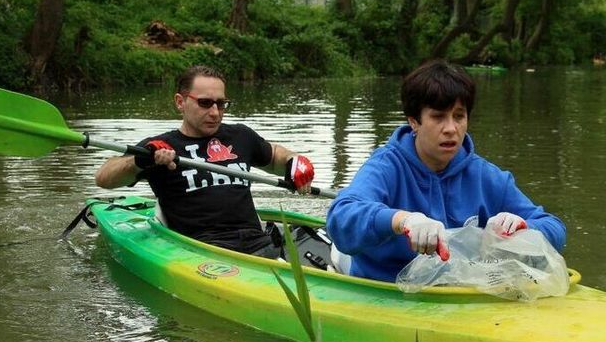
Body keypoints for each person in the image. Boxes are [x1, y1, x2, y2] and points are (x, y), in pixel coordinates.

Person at [325, 59, 566, 282]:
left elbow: (554, 228)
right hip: (384, 286)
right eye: (438, 117)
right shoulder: (385, 166)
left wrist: (524, 226)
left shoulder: (486, 176)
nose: (451, 128)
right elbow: (340, 218)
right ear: (414, 122)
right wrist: (403, 220)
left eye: (459, 116)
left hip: (452, 289)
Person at [95, 65, 315, 259]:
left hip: (258, 244)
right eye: (205, 103)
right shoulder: (158, 147)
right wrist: (139, 161)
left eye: (221, 104)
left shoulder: (241, 136)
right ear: (180, 102)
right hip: (203, 251)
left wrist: (294, 161)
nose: (215, 112)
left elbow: (275, 154)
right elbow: (104, 178)